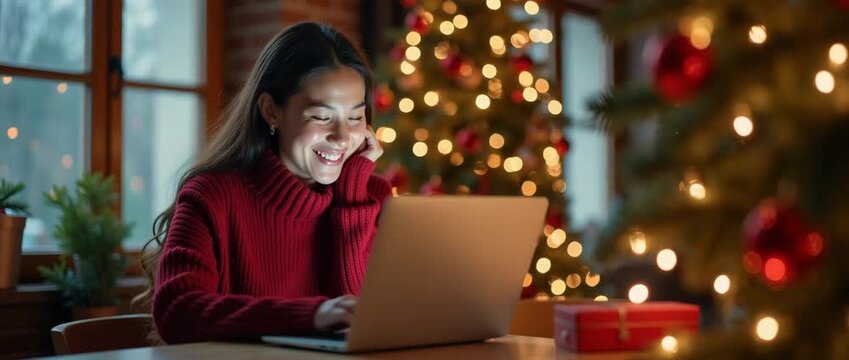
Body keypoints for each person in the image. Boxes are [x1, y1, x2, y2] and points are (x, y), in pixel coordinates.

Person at [135, 22, 391, 344]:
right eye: (322, 117)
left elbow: (360, 328)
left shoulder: (372, 198)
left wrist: (352, 201)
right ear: (271, 111)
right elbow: (177, 311)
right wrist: (312, 315)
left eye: (355, 117)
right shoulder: (213, 195)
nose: (342, 137)